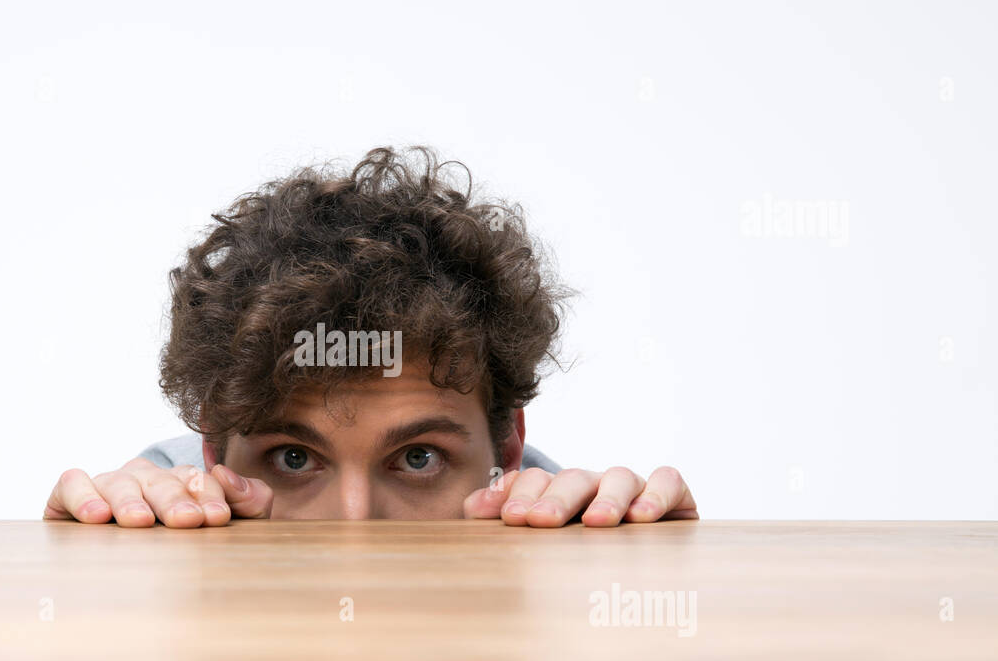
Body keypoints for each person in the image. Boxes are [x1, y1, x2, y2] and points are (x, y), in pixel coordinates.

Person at [44, 146, 697, 528]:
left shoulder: (550, 514)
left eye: (419, 459)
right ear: (213, 452)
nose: (354, 525)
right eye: (293, 459)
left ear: (509, 449)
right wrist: (90, 564)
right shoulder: (160, 506)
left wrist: (649, 555)